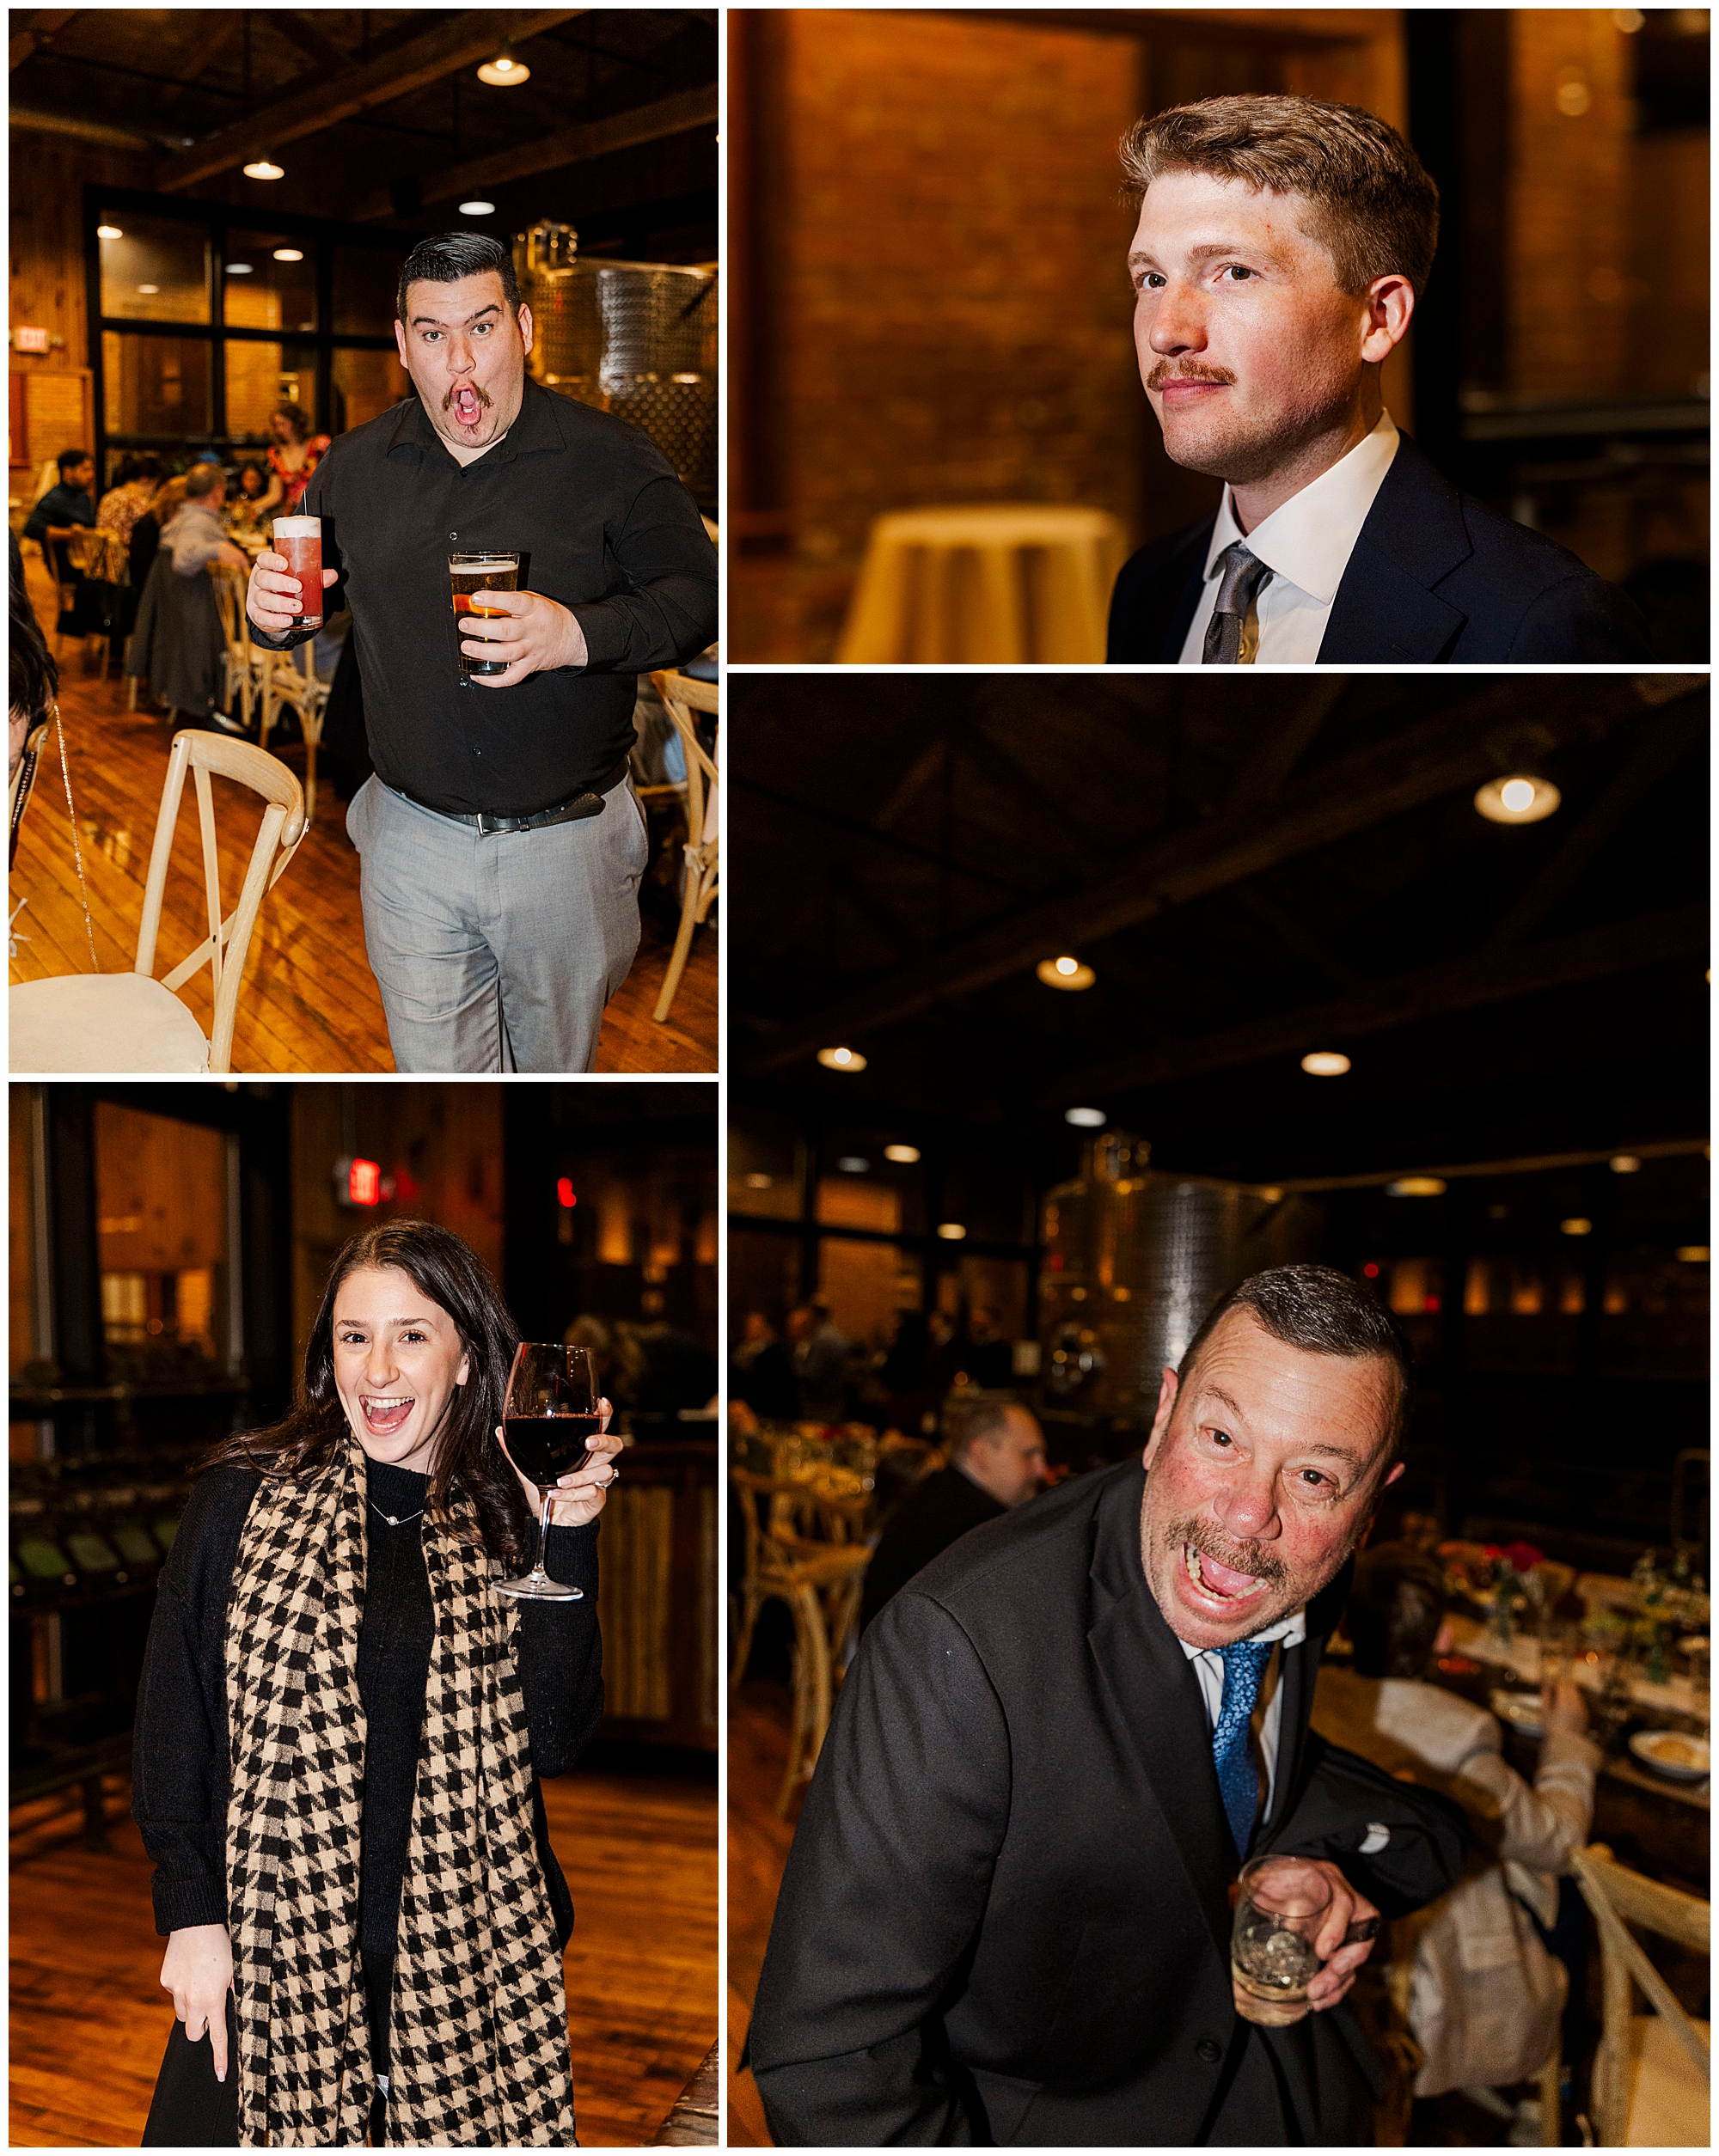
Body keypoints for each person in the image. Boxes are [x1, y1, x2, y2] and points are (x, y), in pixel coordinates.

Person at [749, 1264, 1467, 2146]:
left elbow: (1208, 1773)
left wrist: (1317, 1866)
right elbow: (827, 2059)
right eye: (1219, 1436)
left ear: (1369, 1506)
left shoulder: (1297, 1577)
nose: (1247, 1516)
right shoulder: (962, 1651)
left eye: (1314, 1477)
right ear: (1162, 1413)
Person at [132, 1218, 621, 2147]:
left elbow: (553, 1739)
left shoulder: (504, 1512)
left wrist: (568, 1531)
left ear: (470, 1360)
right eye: (355, 1337)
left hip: (461, 1960)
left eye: (410, 1335)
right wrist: (189, 1911)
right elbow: (173, 1713)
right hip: (274, 1945)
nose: (377, 1371)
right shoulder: (245, 1495)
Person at [243, 232, 718, 1073]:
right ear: (401, 344)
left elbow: (698, 598)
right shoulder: (350, 470)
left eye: (482, 327)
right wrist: (273, 614)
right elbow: (299, 605)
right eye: (432, 334)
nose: (460, 361)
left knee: (550, 1075)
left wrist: (576, 633)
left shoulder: (614, 460)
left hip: (565, 848)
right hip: (410, 843)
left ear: (526, 328)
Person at [1106, 96, 1648, 665]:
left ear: (1379, 319)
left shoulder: (1538, 621)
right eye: (1152, 278)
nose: (1166, 331)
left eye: (1234, 272)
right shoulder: (1149, 587)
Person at [1312, 1542, 1600, 2115]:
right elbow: (1559, 1842)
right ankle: (1562, 2091)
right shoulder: (1462, 1734)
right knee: (1577, 1898)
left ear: (1345, 1623)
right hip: (1439, 1975)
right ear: (1443, 1638)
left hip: (1351, 1953)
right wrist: (1567, 1737)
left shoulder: (1317, 1697)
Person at [859, 1394, 1047, 1633]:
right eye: (1029, 1454)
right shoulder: (980, 1522)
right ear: (981, 1452)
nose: (1041, 1469)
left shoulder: (940, 1491)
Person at [23, 448, 98, 636]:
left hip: (86, 563)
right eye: (85, 469)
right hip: (71, 567)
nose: (91, 475)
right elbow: (32, 528)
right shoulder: (54, 499)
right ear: (67, 471)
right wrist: (72, 534)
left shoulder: (82, 496)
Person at [256, 400, 332, 517]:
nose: (279, 430)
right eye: (276, 425)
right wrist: (251, 507)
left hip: (320, 510)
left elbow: (331, 479)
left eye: (283, 424)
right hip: (293, 513)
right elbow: (275, 494)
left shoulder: (318, 446)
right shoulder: (276, 454)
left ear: (296, 423)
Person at [786, 1300, 851, 1423]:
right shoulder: (833, 1333)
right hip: (833, 1401)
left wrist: (795, 1365)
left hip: (822, 1404)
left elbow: (812, 1375)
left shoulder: (823, 1339)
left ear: (813, 1316)